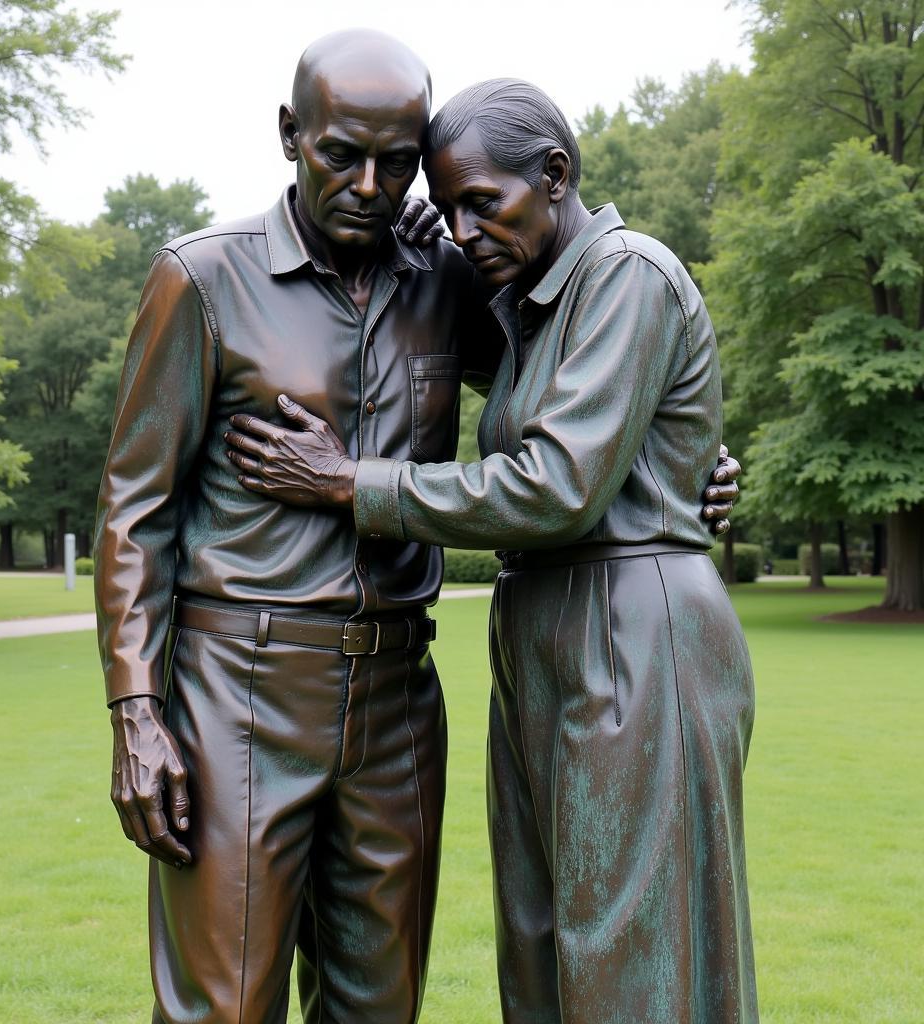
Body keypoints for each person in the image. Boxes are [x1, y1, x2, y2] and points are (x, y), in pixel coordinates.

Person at [225, 78, 756, 1023]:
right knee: (542, 940)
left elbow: (555, 484)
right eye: (450, 205)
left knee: (627, 947)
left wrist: (351, 482)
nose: (465, 230)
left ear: (554, 176)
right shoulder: (533, 308)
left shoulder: (626, 272)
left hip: (632, 631)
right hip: (547, 630)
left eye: (484, 203)